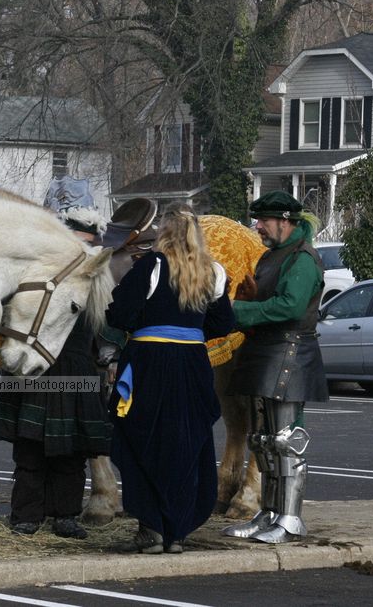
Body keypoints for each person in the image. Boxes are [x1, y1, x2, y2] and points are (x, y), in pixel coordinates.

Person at [105, 205, 234, 554]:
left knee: (144, 441)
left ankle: (151, 527)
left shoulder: (151, 266)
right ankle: (176, 528)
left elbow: (120, 314)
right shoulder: (214, 272)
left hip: (149, 362)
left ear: (164, 232)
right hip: (192, 364)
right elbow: (223, 325)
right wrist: (188, 330)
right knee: (186, 443)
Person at [0, 206, 113, 539]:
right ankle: (26, 515)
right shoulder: (39, 271)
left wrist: (110, 359)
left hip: (76, 368)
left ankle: (66, 515)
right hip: (33, 366)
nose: (81, 249)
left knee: (72, 452)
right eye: (76, 241)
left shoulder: (98, 277)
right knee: (29, 448)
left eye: (87, 243)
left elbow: (107, 324)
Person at [222, 190, 329, 544]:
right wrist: (251, 300)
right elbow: (271, 300)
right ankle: (268, 512)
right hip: (266, 351)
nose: (258, 226)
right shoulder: (272, 256)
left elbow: (291, 307)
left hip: (289, 353)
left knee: (286, 441)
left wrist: (240, 311)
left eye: (264, 220)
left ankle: (290, 518)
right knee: (262, 441)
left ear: (285, 221)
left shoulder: (302, 259)